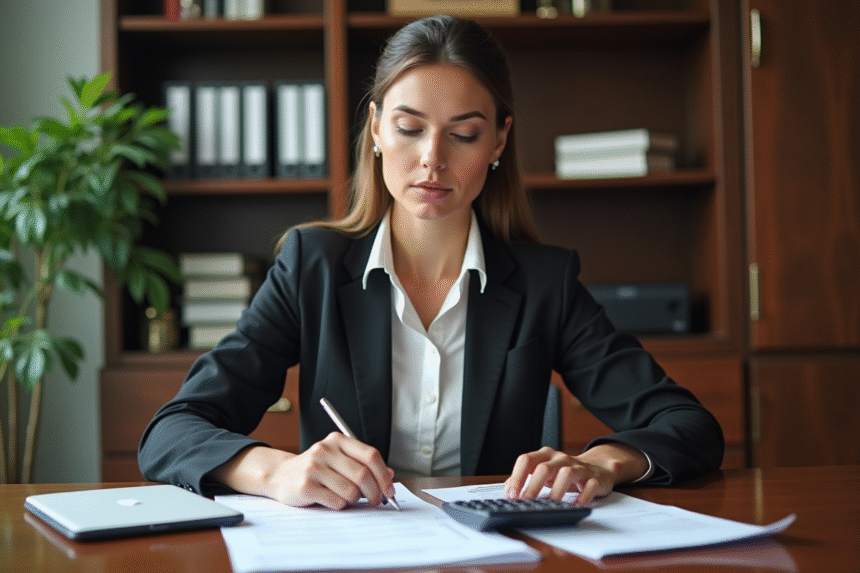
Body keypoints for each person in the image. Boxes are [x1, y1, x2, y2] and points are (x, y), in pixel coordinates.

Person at [138, 15, 723, 510]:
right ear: (374, 130)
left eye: (463, 135)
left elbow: (688, 427)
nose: (431, 159)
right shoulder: (310, 267)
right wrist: (277, 473)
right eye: (409, 128)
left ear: (497, 142)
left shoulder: (546, 284)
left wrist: (602, 463)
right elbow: (171, 432)